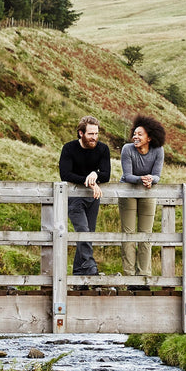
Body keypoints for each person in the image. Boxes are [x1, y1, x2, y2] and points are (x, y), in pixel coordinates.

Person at [58, 115, 111, 278]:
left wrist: (95, 174)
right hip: (74, 197)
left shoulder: (103, 149)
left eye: (96, 134)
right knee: (83, 230)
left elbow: (106, 174)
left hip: (93, 197)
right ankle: (89, 265)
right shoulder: (69, 148)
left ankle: (78, 272)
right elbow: (65, 174)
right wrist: (89, 181)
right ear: (81, 133)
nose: (94, 137)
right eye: (90, 134)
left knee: (88, 234)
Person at [118, 115, 166, 289]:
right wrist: (143, 179)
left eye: (140, 134)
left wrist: (151, 179)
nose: (135, 137)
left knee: (146, 235)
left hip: (148, 192)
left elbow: (157, 175)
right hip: (128, 191)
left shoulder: (158, 150)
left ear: (149, 138)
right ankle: (130, 278)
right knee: (129, 234)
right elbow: (127, 175)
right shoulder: (127, 149)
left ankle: (144, 277)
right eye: (134, 133)